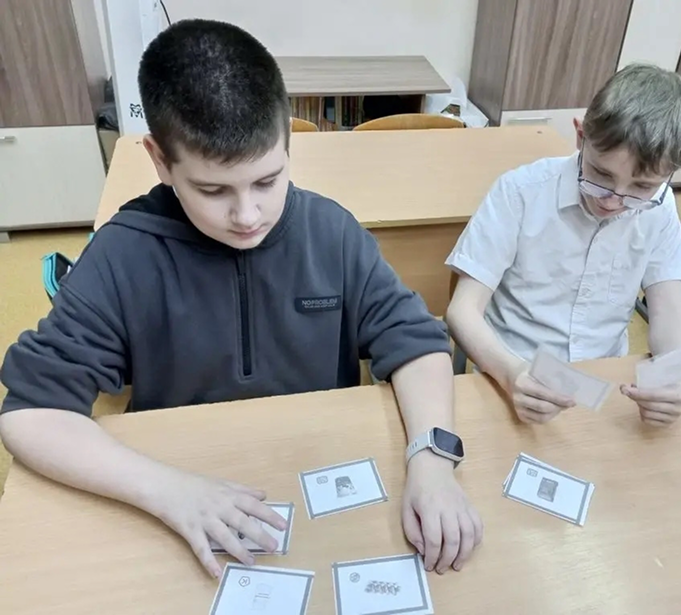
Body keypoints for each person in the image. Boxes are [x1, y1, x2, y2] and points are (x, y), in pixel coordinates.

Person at [0, 20, 481, 578]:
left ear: (288, 145)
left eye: (268, 180)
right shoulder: (123, 255)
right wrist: (168, 491)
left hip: (314, 474)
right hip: (181, 490)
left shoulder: (331, 232)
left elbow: (417, 341)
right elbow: (32, 414)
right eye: (213, 190)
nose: (248, 215)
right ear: (159, 160)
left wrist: (432, 459)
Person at [445, 63, 681, 428]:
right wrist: (511, 374)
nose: (614, 200)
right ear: (581, 136)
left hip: (604, 381)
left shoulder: (659, 208)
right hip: (513, 370)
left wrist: (675, 376)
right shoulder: (520, 192)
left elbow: (671, 310)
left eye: (641, 187)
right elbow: (462, 310)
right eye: (601, 175)